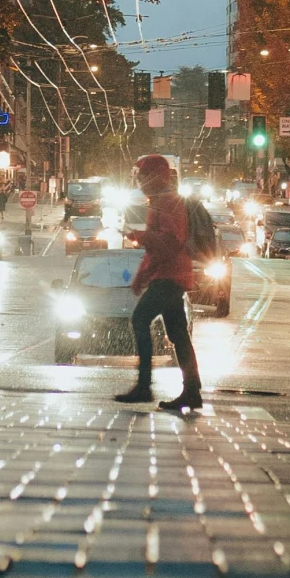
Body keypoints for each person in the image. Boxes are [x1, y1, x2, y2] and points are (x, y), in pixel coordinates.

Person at [115, 154, 203, 413]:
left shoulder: (168, 201)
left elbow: (170, 242)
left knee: (140, 319)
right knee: (178, 334)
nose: (139, 181)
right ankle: (192, 390)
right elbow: (159, 247)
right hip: (169, 275)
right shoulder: (161, 201)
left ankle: (144, 386)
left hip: (169, 276)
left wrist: (139, 236)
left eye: (142, 176)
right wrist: (142, 274)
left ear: (154, 176)